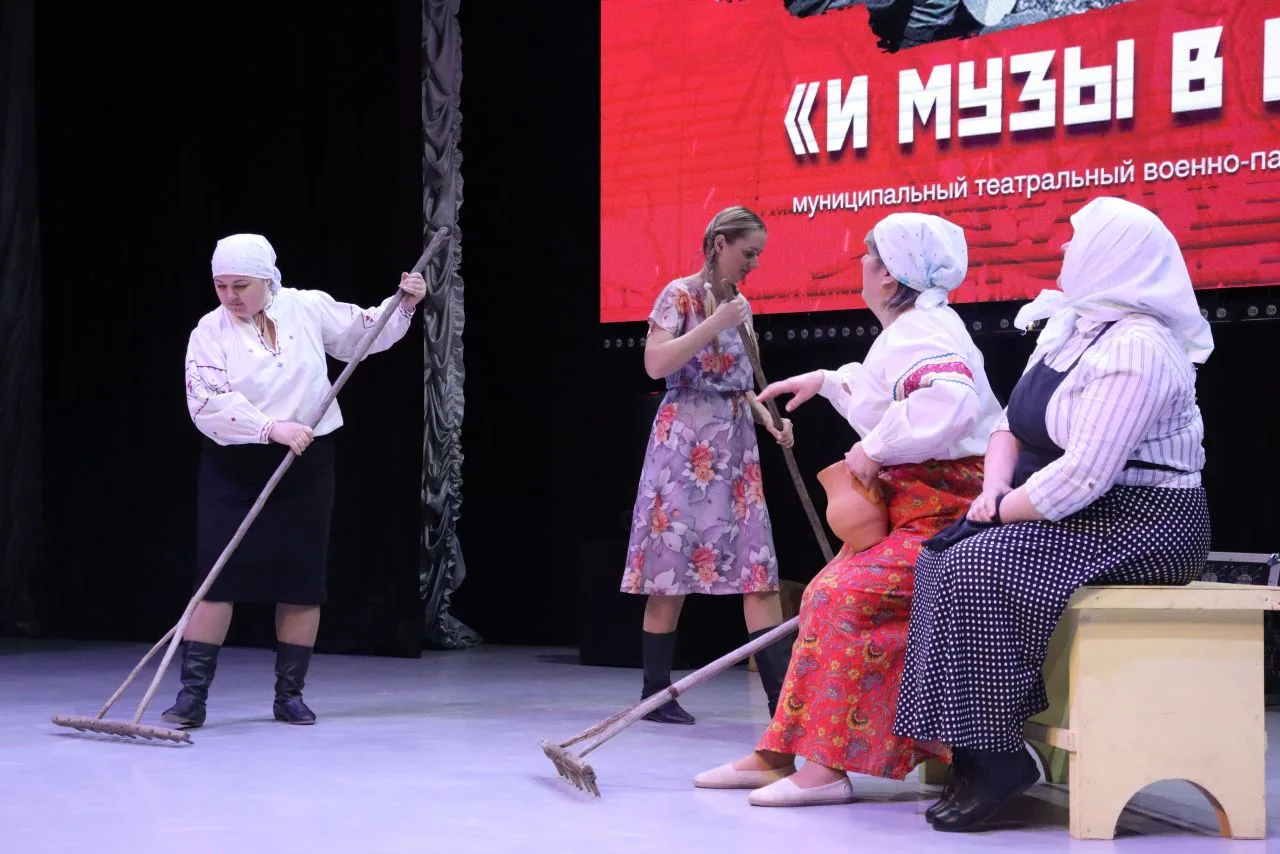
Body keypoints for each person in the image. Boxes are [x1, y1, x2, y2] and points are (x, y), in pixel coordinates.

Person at [893, 196, 1214, 833]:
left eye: (1076, 238)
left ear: (1112, 254)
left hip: (1147, 520)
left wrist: (998, 514)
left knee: (980, 566)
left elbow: (1087, 475)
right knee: (939, 558)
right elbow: (1010, 425)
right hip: (1074, 508)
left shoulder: (1141, 347)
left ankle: (1000, 755)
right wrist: (992, 490)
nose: (1064, 248)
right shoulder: (1072, 326)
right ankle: (971, 747)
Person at [693, 212, 1004, 806]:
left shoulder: (923, 329)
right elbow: (892, 389)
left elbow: (949, 400)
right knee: (824, 592)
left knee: (843, 596)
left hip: (949, 517)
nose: (860, 263)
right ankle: (781, 751)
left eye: (869, 255)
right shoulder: (913, 328)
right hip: (922, 510)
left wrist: (875, 447)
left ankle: (825, 768)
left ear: (889, 275)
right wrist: (828, 380)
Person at [162, 233, 426, 729]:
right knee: (216, 579)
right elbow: (207, 400)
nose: (229, 295)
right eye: (221, 285)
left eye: (240, 285)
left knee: (301, 579)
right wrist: (268, 428)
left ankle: (290, 696)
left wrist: (403, 304)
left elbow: (362, 334)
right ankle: (191, 697)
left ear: (268, 279)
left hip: (305, 461)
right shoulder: (208, 331)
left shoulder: (306, 307)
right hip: (234, 463)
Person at [621, 206, 797, 726]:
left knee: (758, 569)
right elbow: (655, 363)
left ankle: (781, 706)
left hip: (736, 446)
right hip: (684, 443)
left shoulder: (741, 305)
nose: (754, 264)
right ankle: (655, 694)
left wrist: (771, 420)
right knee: (669, 569)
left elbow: (741, 383)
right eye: (749, 252)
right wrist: (716, 323)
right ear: (720, 244)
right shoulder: (679, 295)